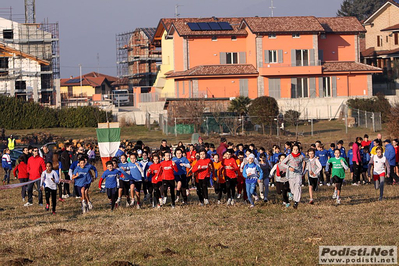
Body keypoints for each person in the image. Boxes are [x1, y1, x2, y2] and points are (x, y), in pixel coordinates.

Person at [281, 144, 305, 209]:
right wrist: (289, 167)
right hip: (291, 175)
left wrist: (304, 170)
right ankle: (294, 196)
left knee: (298, 185)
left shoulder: (301, 156)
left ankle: (296, 202)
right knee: (293, 189)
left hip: (298, 174)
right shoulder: (289, 156)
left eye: (297, 149)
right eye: (294, 149)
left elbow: (307, 161)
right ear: (292, 150)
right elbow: (282, 163)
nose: (296, 151)